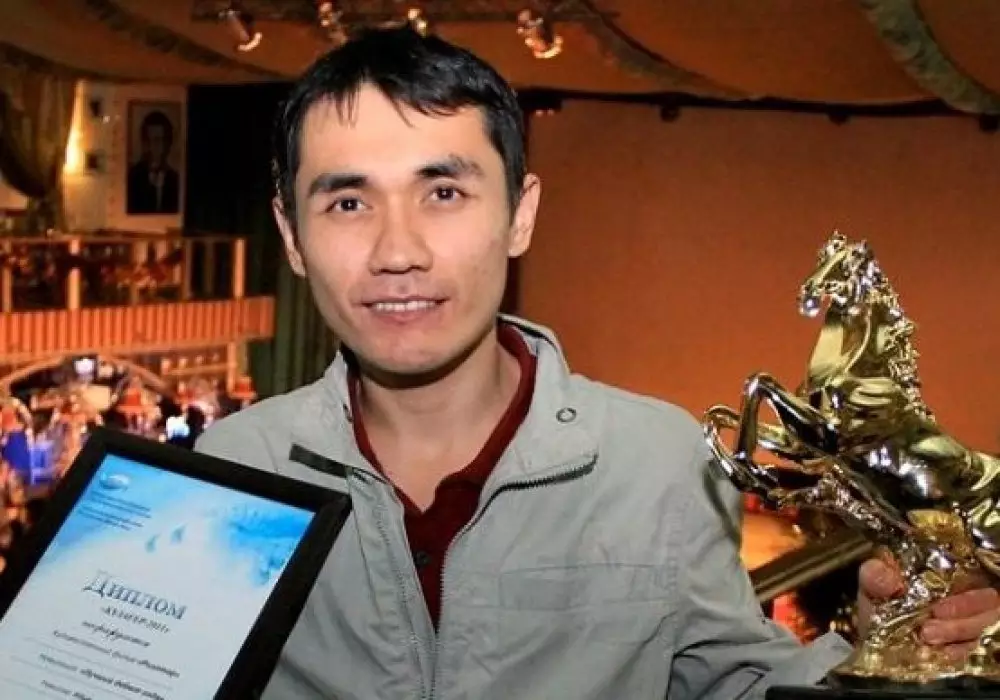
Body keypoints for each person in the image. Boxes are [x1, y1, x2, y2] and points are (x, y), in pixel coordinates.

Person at [195, 26, 1000, 699]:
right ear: (292, 236)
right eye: (348, 202)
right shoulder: (230, 469)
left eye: (443, 194)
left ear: (520, 214)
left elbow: (735, 682)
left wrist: (888, 654)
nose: (397, 251)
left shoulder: (659, 461)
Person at [126, 110, 180, 214]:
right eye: (151, 140)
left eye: (160, 140)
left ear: (168, 144)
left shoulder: (175, 180)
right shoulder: (132, 178)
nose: (159, 146)